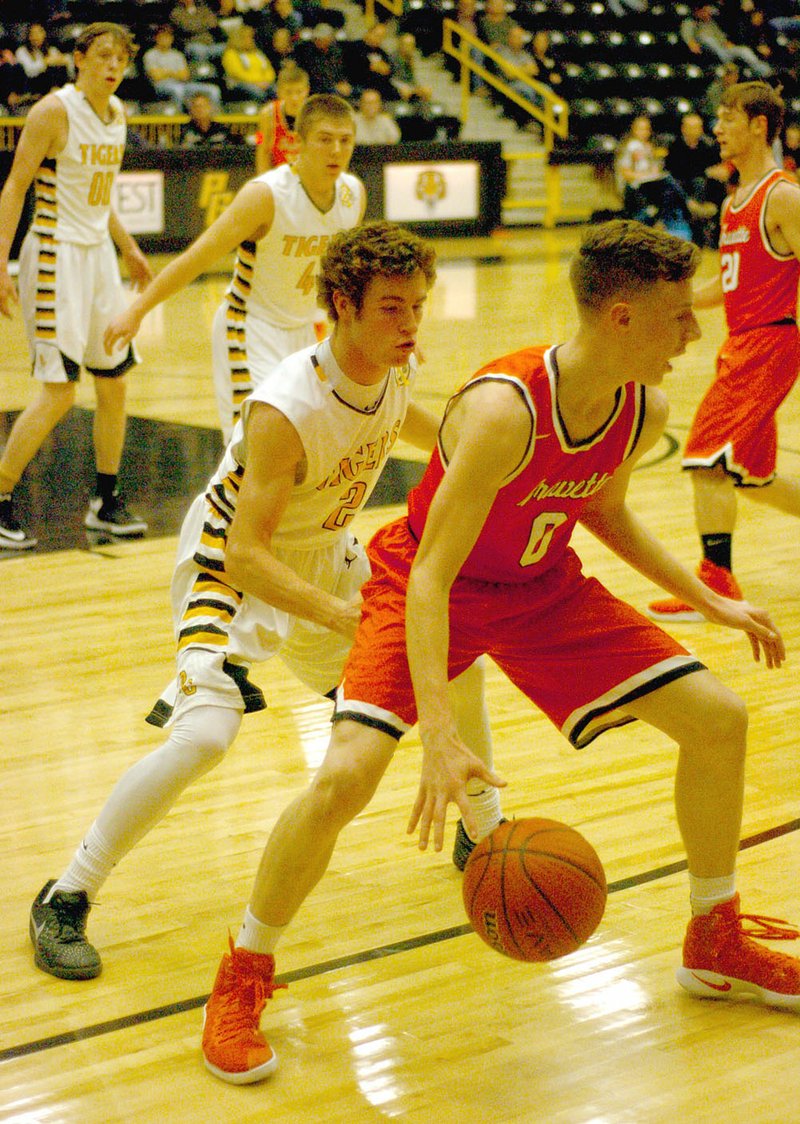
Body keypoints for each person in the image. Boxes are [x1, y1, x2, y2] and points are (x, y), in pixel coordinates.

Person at [195, 217, 800, 1086]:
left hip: (542, 586)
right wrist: (438, 736)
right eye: (679, 317)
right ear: (622, 317)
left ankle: (715, 935)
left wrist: (711, 597)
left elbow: (604, 511)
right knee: (346, 777)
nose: (694, 334)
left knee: (719, 718)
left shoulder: (640, 405)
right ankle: (245, 968)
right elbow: (433, 576)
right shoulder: (499, 409)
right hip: (425, 586)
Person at [28, 222, 495, 1002]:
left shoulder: (392, 366)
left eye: (418, 305)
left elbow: (426, 427)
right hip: (230, 568)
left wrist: (486, 437)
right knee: (207, 734)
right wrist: (347, 620)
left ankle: (484, 826)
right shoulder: (287, 406)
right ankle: (66, 896)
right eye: (392, 308)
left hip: (321, 556)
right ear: (342, 305)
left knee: (460, 660)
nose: (412, 325)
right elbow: (246, 555)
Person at [104, 94, 364, 441]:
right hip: (249, 329)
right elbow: (196, 258)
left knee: (296, 455)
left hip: (302, 334)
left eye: (345, 141)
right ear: (298, 143)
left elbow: (349, 277)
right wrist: (136, 311)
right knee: (251, 453)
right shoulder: (266, 196)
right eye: (325, 139)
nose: (336, 150)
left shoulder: (352, 194)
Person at [648, 81, 800, 618]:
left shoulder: (783, 196)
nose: (716, 129)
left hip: (771, 341)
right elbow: (726, 286)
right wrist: (667, 298)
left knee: (706, 458)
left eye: (727, 119)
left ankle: (716, 583)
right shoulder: (736, 200)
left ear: (759, 125)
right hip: (742, 341)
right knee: (752, 478)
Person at [0, 22, 152, 551]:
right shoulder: (53, 112)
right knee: (60, 392)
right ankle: (1, 497)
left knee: (113, 382)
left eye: (122, 58)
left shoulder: (117, 118)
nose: (113, 66)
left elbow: (97, 195)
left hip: (98, 258)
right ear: (79, 59)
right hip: (53, 256)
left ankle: (105, 502)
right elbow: (15, 186)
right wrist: (0, 265)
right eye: (103, 56)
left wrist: (128, 247)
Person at [615, 115, 693, 240]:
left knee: (668, 188)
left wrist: (653, 170)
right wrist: (644, 175)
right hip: (634, 187)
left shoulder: (649, 147)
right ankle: (688, 203)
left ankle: (667, 224)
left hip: (649, 185)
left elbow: (654, 168)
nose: (644, 132)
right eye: (640, 129)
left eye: (646, 129)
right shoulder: (629, 148)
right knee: (669, 184)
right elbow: (625, 174)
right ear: (633, 130)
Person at [664, 112, 729, 247]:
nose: (695, 131)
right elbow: (676, 172)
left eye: (698, 127)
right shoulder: (675, 147)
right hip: (683, 191)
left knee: (718, 187)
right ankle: (697, 228)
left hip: (706, 189)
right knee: (697, 182)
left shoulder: (708, 146)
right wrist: (705, 172)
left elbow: (715, 169)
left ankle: (717, 236)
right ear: (683, 128)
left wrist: (712, 172)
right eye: (691, 127)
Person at [143, 23, 222, 109]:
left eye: (168, 37)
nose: (165, 39)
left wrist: (166, 72)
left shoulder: (178, 55)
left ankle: (214, 118)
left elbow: (185, 76)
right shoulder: (150, 54)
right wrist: (175, 74)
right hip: (161, 86)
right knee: (178, 90)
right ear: (156, 38)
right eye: (162, 37)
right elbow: (156, 76)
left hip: (183, 84)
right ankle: (179, 118)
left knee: (213, 90)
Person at [680, 5, 772, 78]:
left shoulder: (711, 23)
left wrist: (727, 43)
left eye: (708, 12)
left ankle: (762, 70)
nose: (708, 14)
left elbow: (721, 37)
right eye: (705, 11)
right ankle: (728, 63)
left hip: (722, 49)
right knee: (707, 39)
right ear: (698, 12)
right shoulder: (689, 22)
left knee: (744, 50)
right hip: (705, 47)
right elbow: (687, 35)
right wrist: (690, 42)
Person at [254, 61, 308, 172]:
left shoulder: (315, 113)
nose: (294, 98)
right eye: (289, 92)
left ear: (307, 91)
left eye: (299, 92)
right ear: (279, 92)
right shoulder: (267, 114)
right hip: (278, 179)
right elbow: (261, 148)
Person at [220, 22, 276, 101]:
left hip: (262, 83)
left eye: (251, 37)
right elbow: (237, 73)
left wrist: (266, 81)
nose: (250, 40)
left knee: (277, 91)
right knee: (258, 94)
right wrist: (257, 82)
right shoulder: (231, 54)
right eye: (247, 37)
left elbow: (269, 71)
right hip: (240, 84)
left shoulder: (258, 53)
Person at [294, 23, 351, 98]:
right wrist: (335, 86)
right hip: (319, 87)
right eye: (317, 39)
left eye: (323, 39)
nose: (319, 41)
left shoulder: (336, 51)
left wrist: (343, 82)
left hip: (335, 85)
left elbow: (340, 71)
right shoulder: (308, 53)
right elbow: (315, 76)